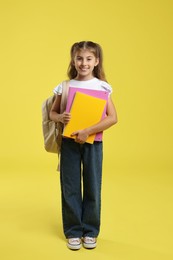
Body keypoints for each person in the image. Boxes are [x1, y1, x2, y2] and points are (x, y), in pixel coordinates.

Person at [49, 41, 118, 250]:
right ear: (73, 60)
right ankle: (73, 230)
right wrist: (61, 117)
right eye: (79, 58)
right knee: (69, 186)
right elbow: (52, 114)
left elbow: (113, 117)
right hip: (69, 143)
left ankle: (90, 230)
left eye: (89, 59)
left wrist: (88, 131)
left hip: (93, 143)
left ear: (96, 61)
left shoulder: (102, 87)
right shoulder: (65, 86)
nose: (84, 63)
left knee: (92, 186)